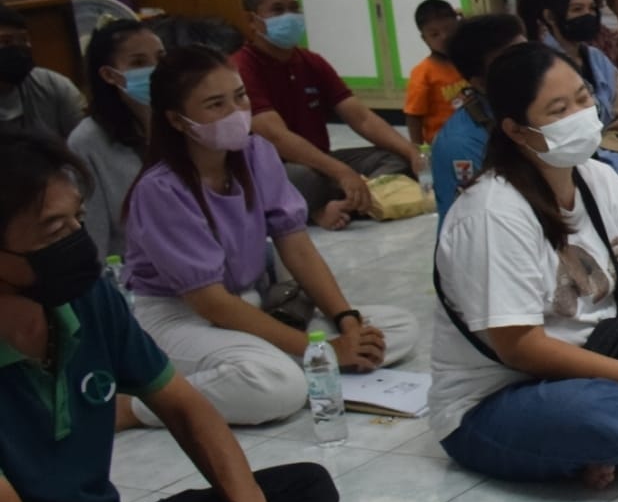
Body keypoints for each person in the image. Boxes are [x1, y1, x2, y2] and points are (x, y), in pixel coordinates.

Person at [0, 128, 339, 502]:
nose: (77, 240)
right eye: (54, 231)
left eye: (78, 219)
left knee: (304, 489)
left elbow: (185, 408)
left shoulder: (86, 299)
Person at [122, 46, 417, 428]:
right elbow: (211, 303)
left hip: (249, 303)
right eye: (215, 105)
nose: (235, 112)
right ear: (177, 120)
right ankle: (135, 408)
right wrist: (324, 350)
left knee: (396, 328)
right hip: (180, 319)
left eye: (240, 97)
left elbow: (298, 249)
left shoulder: (255, 153)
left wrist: (347, 322)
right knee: (279, 387)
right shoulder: (160, 190)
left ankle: (277, 361)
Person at [430, 42, 618, 487]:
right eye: (559, 110)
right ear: (516, 130)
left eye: (582, 97)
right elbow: (521, 347)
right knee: (611, 416)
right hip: (501, 396)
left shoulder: (599, 179)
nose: (580, 114)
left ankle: (588, 451)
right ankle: (592, 442)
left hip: (600, 362)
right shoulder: (493, 212)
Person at [234, 0, 425, 230]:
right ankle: (326, 208)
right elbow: (277, 137)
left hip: (320, 159)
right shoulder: (241, 67)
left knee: (395, 158)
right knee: (304, 178)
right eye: (278, 10)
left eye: (294, 8)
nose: (289, 16)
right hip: (278, 167)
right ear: (252, 20)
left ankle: (341, 204)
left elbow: (362, 118)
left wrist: (412, 152)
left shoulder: (311, 62)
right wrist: (341, 172)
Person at [519, 0, 618, 207]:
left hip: (610, 160)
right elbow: (561, 138)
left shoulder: (596, 59)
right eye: (577, 9)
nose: (588, 15)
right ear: (550, 16)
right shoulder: (538, 65)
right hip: (562, 170)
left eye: (592, 8)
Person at [68, 18, 163, 261]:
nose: (156, 69)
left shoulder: (183, 121)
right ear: (109, 75)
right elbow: (94, 237)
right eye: (139, 62)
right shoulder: (86, 142)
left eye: (161, 58)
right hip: (133, 270)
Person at [430, 13, 526, 217]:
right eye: (512, 63)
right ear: (481, 83)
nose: (533, 66)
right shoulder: (460, 145)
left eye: (528, 53)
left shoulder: (536, 108)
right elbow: (473, 221)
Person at [0, 7, 85, 142]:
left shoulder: (54, 85)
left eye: (24, 39)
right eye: (5, 41)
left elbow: (85, 145)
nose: (18, 48)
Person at [403, 0, 467, 147]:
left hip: (474, 133)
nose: (444, 37)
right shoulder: (422, 72)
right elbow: (414, 116)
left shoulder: (469, 60)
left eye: (449, 30)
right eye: (434, 34)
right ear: (424, 39)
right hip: (443, 142)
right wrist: (418, 149)